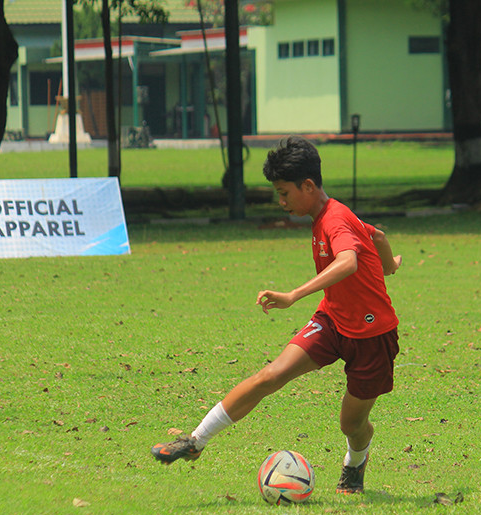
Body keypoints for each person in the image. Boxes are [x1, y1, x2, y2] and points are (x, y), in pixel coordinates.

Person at [151, 136, 402, 495]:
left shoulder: (334, 220)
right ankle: (195, 441)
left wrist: (294, 294)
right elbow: (373, 234)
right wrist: (389, 264)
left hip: (372, 337)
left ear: (309, 186)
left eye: (284, 193)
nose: (280, 201)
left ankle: (355, 462)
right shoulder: (329, 214)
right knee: (270, 375)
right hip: (333, 319)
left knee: (352, 424)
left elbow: (348, 261)